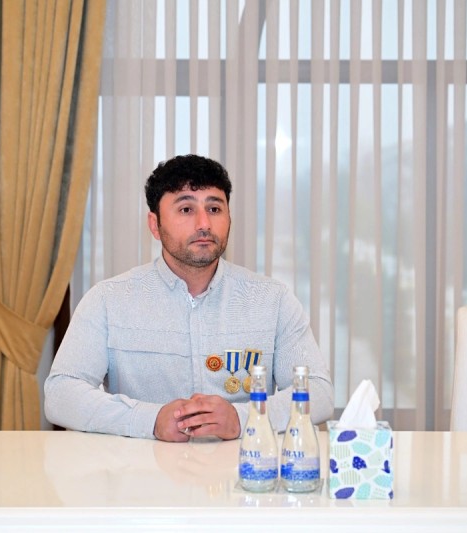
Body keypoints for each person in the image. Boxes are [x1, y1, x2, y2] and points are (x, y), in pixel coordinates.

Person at [44, 154, 334, 442]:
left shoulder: (272, 300)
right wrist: (150, 420)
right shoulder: (108, 300)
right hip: (140, 468)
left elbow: (319, 392)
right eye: (186, 209)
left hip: (242, 467)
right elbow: (61, 394)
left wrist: (243, 418)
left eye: (214, 208)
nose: (204, 223)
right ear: (155, 225)